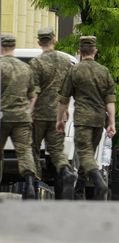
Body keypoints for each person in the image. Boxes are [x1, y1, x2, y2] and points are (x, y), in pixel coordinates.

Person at [56, 36, 116, 200]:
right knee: (88, 154)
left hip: (82, 120)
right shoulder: (104, 71)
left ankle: (99, 182)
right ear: (95, 51)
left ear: (80, 52)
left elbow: (64, 98)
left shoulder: (74, 70)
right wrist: (111, 122)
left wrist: (59, 119)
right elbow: (110, 100)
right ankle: (79, 191)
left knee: (85, 154)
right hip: (98, 120)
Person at [29, 27, 77, 200]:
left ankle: (32, 183)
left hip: (39, 115)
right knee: (56, 150)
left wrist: (30, 110)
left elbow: (34, 90)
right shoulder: (65, 62)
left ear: (39, 42)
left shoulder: (36, 63)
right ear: (54, 39)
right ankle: (65, 170)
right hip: (58, 114)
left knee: (33, 149)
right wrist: (65, 112)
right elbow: (69, 89)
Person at [0, 34, 38, 199]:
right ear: (14, 47)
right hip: (22, 117)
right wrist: (28, 111)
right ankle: (29, 183)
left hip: (3, 115)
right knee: (24, 151)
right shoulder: (25, 68)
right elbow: (33, 94)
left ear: (2, 47)